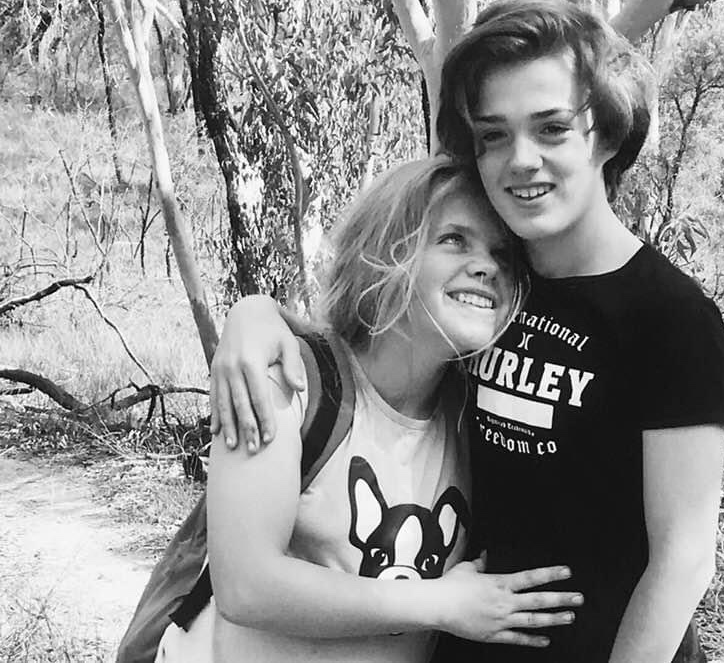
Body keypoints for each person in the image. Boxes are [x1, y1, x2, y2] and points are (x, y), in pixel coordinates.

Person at [211, 0, 724, 663]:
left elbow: (684, 559)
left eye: (551, 129)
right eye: (493, 135)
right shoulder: (496, 292)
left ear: (604, 135)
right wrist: (254, 315)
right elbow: (367, 342)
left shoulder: (670, 318)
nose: (521, 159)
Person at [159, 155, 582, 663]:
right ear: (384, 250)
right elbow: (246, 587)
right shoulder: (287, 383)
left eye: (502, 255)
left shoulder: (477, 414)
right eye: (454, 239)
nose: (487, 266)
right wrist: (440, 604)